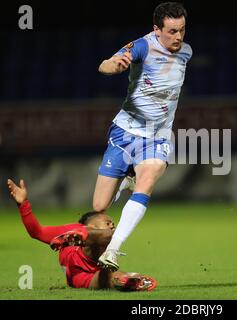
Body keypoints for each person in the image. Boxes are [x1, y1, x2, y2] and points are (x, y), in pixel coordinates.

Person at [93, 2, 193, 271]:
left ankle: (113, 250)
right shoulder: (142, 46)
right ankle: (127, 179)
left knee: (149, 177)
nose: (178, 37)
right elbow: (106, 64)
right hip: (124, 132)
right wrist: (115, 66)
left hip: (157, 136)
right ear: (156, 29)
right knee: (99, 206)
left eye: (182, 30)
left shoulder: (186, 52)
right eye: (171, 31)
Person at [7, 178, 157, 291]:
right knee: (109, 236)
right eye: (108, 221)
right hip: (76, 265)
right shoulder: (71, 228)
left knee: (107, 281)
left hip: (83, 276)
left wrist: (123, 278)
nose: (112, 224)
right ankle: (84, 235)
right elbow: (36, 232)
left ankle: (129, 281)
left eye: (112, 224)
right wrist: (23, 203)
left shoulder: (107, 239)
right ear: (90, 222)